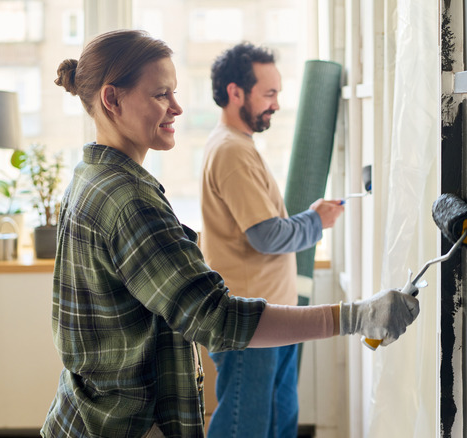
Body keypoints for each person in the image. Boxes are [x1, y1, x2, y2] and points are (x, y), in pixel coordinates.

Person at [43, 29, 419, 438]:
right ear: (112, 100)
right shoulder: (129, 198)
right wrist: (358, 317)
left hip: (88, 415)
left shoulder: (92, 176)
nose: (177, 107)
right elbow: (218, 315)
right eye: (161, 94)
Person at [199, 42, 345, 438]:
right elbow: (266, 236)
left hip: (273, 317)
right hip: (250, 323)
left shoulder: (241, 144)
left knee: (279, 419)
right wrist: (317, 222)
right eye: (269, 93)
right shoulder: (231, 151)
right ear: (235, 93)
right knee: (242, 426)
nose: (276, 104)